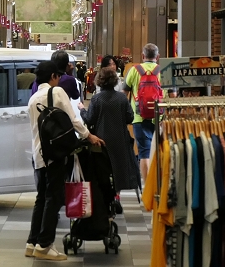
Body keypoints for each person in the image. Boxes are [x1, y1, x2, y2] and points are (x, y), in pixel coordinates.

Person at [26, 61, 103, 261]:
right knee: (53, 198)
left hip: (38, 154)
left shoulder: (33, 98)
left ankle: (32, 242)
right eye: (58, 76)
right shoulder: (57, 92)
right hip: (54, 154)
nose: (59, 79)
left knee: (41, 198)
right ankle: (45, 245)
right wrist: (89, 136)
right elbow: (73, 119)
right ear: (53, 76)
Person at [81, 68, 139, 197]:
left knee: (103, 172)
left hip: (101, 142)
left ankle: (106, 200)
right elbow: (130, 117)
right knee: (117, 170)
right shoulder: (122, 98)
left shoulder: (97, 99)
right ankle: (116, 195)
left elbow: (89, 119)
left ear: (99, 81)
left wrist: (82, 110)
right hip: (120, 140)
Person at [124, 43, 160, 183]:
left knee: (144, 152)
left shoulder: (134, 70)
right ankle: (157, 184)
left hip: (138, 116)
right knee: (158, 152)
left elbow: (124, 93)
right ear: (158, 56)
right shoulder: (163, 70)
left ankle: (148, 187)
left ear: (143, 56)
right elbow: (173, 95)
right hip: (159, 117)